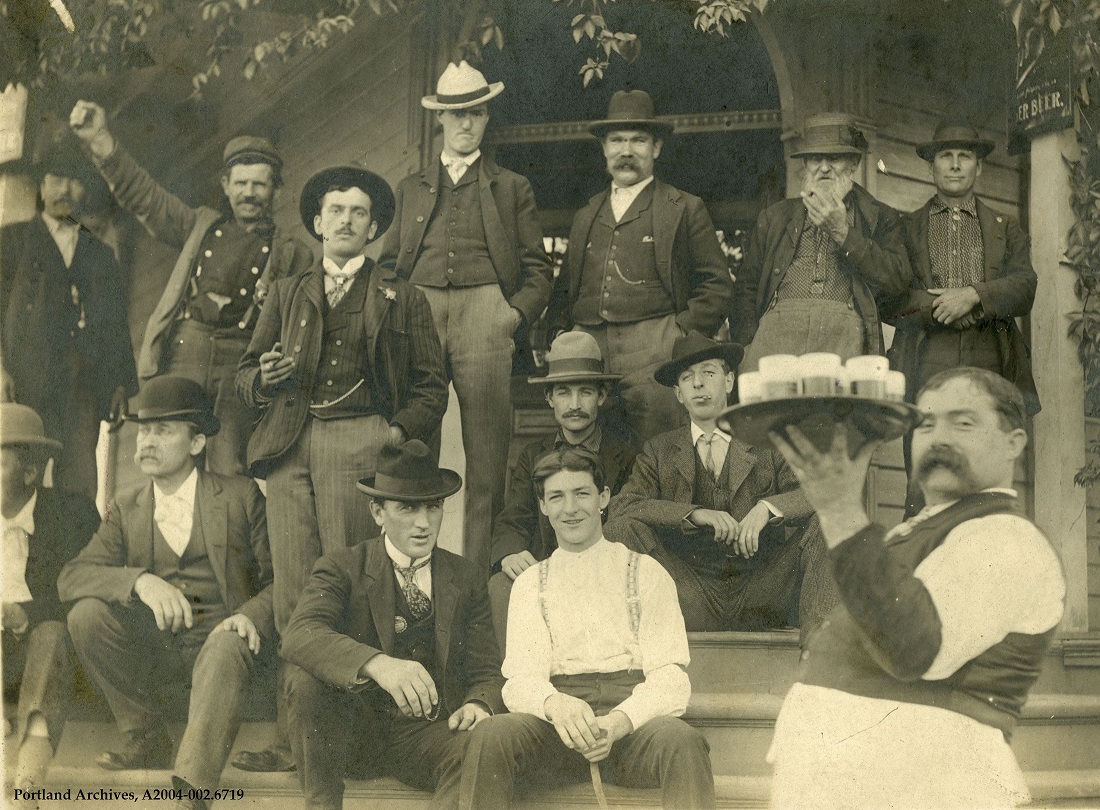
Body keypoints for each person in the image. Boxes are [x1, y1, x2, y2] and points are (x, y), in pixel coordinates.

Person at [765, 367, 1065, 809]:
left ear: (1013, 443)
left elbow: (916, 650)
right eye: (926, 423)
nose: (939, 436)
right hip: (855, 776)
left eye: (963, 422)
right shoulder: (916, 534)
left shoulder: (1009, 540)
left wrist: (841, 513)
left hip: (925, 779)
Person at [232, 165, 446, 773]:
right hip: (289, 445)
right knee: (293, 601)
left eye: (359, 212)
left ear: (374, 226)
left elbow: (432, 388)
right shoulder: (286, 291)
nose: (346, 221)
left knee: (356, 590)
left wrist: (392, 435)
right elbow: (245, 378)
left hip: (361, 441)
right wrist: (263, 378)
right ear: (318, 223)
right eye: (335, 211)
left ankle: (359, 740)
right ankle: (292, 741)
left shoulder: (402, 297)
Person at [57, 376, 274, 810]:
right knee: (85, 614)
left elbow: (280, 582)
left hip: (227, 656)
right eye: (144, 430)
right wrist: (139, 580)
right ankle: (145, 733)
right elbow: (71, 577)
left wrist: (248, 616)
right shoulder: (128, 503)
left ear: (196, 443)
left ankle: (189, 797)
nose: (147, 442)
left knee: (224, 643)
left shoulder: (238, 496)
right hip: (158, 661)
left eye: (164, 430)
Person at [458, 448, 715, 810]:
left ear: (603, 498)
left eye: (581, 493)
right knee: (491, 735)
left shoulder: (645, 572)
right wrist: (555, 705)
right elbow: (520, 680)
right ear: (543, 506)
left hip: (630, 726)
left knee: (683, 742)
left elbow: (671, 677)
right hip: (556, 731)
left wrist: (619, 723)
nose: (570, 509)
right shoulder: (531, 582)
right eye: (556, 497)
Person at [70, 100, 313, 478]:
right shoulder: (200, 225)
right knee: (170, 455)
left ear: (276, 191)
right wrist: (101, 141)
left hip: (241, 361)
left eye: (259, 184)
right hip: (186, 349)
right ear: (225, 185)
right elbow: (145, 198)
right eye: (241, 183)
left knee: (229, 465)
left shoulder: (293, 253)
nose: (249, 192)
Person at [378, 60, 553, 569]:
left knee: (487, 461)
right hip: (420, 315)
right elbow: (389, 267)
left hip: (486, 314)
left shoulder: (511, 186)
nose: (465, 123)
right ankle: (410, 575)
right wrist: (396, 317)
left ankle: (475, 584)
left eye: (474, 112)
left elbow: (537, 269)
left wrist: (511, 315)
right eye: (455, 114)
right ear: (440, 120)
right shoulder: (411, 187)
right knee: (413, 455)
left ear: (486, 118)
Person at [280, 440, 503, 810]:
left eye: (433, 507)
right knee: (304, 680)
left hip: (427, 735)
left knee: (481, 751)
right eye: (407, 508)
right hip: (352, 737)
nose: (423, 523)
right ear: (377, 512)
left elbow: (487, 671)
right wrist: (379, 664)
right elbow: (300, 634)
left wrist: (480, 704)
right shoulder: (342, 567)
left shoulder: (464, 576)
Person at [605, 331, 837, 635]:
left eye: (708, 372)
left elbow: (820, 492)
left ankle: (822, 658)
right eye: (687, 378)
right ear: (678, 393)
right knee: (618, 530)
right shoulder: (659, 450)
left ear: (729, 381)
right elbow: (622, 507)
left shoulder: (766, 442)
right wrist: (694, 514)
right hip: (687, 594)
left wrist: (767, 508)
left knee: (829, 522)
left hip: (762, 592)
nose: (698, 384)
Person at [549, 89, 733, 446]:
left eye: (638, 140)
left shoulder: (683, 207)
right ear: (604, 148)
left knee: (660, 451)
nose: (627, 151)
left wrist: (678, 336)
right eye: (616, 140)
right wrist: (559, 335)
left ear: (657, 148)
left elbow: (717, 286)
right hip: (589, 352)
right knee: (588, 453)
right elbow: (565, 288)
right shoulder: (587, 213)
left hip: (655, 349)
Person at [881, 120, 1040, 514]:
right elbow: (891, 299)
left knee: (984, 463)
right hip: (926, 355)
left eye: (964, 157)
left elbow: (1025, 286)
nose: (955, 165)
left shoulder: (1006, 228)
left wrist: (973, 296)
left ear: (978, 167)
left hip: (989, 355)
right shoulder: (906, 227)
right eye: (945, 157)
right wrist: (940, 310)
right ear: (930, 168)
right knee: (926, 470)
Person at [0, 139, 138, 499]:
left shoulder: (100, 254)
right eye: (56, 178)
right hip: (24, 378)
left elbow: (114, 324)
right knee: (18, 470)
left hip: (83, 383)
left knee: (78, 476)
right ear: (42, 185)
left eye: (74, 180)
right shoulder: (10, 243)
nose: (64, 189)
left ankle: (73, 552)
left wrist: (120, 382)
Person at [487, 330, 639, 650]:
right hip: (548, 570)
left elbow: (628, 518)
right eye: (563, 392)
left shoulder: (625, 453)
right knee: (501, 587)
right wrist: (510, 552)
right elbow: (514, 516)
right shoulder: (533, 455)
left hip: (604, 570)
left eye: (584, 392)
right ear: (549, 398)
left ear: (601, 395)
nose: (574, 405)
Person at [730, 112, 908, 368]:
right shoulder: (774, 217)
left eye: (834, 158)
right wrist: (746, 347)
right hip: (775, 342)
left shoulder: (881, 218)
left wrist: (843, 233)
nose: (824, 167)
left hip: (844, 341)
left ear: (854, 163)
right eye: (815, 158)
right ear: (805, 165)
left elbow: (898, 281)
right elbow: (746, 288)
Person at [2, 404, 99, 798]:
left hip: (44, 660)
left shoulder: (70, 515)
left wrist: (23, 614)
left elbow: (85, 590)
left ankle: (26, 785)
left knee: (52, 633)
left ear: (28, 473)